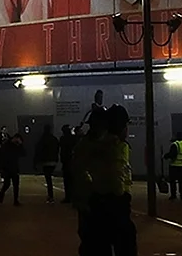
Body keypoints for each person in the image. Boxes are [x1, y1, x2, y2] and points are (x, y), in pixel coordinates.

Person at [74, 105, 136, 256]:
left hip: (92, 203)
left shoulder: (87, 145)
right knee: (125, 244)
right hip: (113, 202)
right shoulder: (116, 146)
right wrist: (120, 194)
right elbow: (116, 176)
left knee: (94, 245)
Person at [0, 127, 24, 205]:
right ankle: (2, 193)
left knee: (15, 185)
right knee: (7, 184)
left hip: (13, 167)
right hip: (7, 168)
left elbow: (23, 153)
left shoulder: (15, 145)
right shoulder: (7, 145)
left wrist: (20, 144)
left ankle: (15, 200)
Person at [35, 124, 61, 203]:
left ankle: (50, 196)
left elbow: (38, 150)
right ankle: (51, 196)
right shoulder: (54, 139)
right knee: (49, 178)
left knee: (48, 179)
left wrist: (36, 161)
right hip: (53, 161)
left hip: (45, 161)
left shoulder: (42, 139)